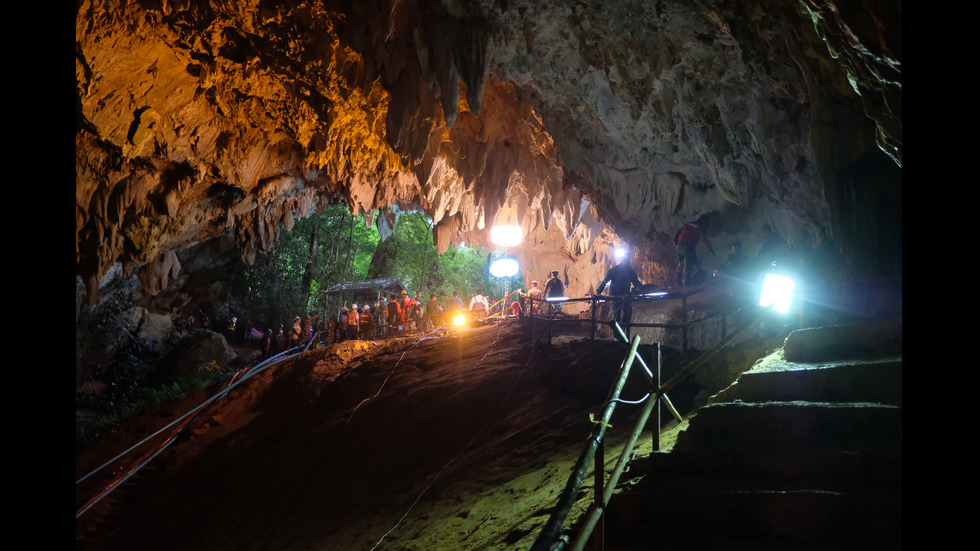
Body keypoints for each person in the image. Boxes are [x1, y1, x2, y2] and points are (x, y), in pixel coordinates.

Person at [596, 250, 643, 333]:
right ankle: (616, 336)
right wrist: (598, 291)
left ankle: (621, 335)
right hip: (615, 297)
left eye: (628, 259)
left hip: (625, 297)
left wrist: (640, 288)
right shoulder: (615, 270)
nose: (627, 261)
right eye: (626, 259)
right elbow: (605, 280)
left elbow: (636, 282)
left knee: (625, 316)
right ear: (622, 260)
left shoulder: (629, 271)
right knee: (617, 316)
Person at [673, 215, 714, 287]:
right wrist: (710, 250)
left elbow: (679, 231)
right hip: (687, 247)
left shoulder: (688, 224)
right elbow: (704, 239)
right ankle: (687, 284)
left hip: (679, 246)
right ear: (704, 222)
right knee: (689, 265)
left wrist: (675, 241)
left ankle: (679, 283)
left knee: (681, 264)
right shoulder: (700, 227)